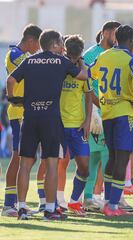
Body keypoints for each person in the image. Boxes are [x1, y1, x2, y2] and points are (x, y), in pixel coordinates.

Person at [6, 29, 88, 220]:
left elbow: (10, 80)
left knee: (25, 165)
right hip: (51, 118)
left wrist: (14, 99)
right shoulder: (62, 61)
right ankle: (50, 210)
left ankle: (22, 209)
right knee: (51, 164)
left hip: (30, 116)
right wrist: (82, 62)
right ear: (55, 44)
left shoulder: (30, 60)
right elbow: (84, 76)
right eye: (61, 43)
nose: (63, 47)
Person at [88, 24, 133, 217]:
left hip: (107, 113)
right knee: (122, 158)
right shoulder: (132, 59)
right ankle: (113, 206)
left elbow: (88, 76)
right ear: (131, 41)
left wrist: (98, 101)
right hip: (125, 113)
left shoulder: (102, 56)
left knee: (112, 157)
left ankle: (108, 202)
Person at [82, 21, 125, 212]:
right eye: (115, 33)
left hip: (109, 110)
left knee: (104, 154)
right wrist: (94, 110)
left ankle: (95, 197)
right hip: (96, 111)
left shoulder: (115, 54)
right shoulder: (91, 54)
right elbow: (87, 83)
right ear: (106, 32)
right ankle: (105, 198)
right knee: (100, 154)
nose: (117, 38)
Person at [2, 24, 43, 217]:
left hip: (29, 113)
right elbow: (34, 65)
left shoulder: (24, 55)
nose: (40, 48)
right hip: (19, 113)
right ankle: (9, 205)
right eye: (39, 44)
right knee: (18, 157)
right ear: (31, 41)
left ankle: (17, 203)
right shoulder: (15, 55)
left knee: (29, 158)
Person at [59, 35, 93, 217]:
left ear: (80, 52)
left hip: (78, 126)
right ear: (66, 50)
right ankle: (55, 201)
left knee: (84, 167)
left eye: (76, 53)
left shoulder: (83, 70)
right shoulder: (58, 66)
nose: (74, 57)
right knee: (57, 165)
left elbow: (89, 95)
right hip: (59, 125)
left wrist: (87, 120)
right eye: (71, 53)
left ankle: (73, 201)